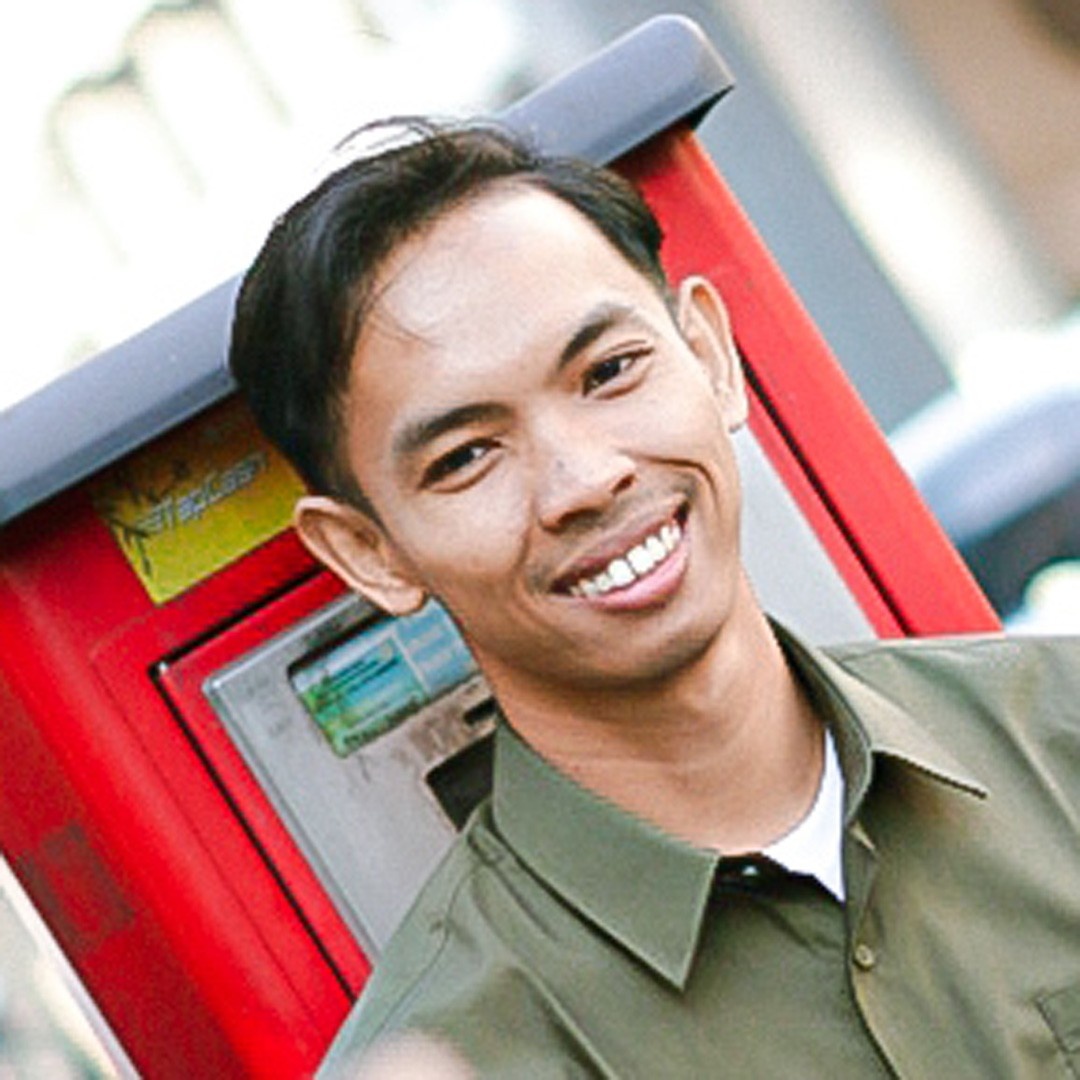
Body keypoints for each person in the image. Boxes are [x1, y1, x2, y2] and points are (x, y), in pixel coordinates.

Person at [229, 120, 1080, 1078]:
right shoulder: (473, 1050)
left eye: (608, 372)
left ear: (710, 355)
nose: (585, 480)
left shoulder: (1063, 729)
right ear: (370, 552)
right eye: (467, 456)